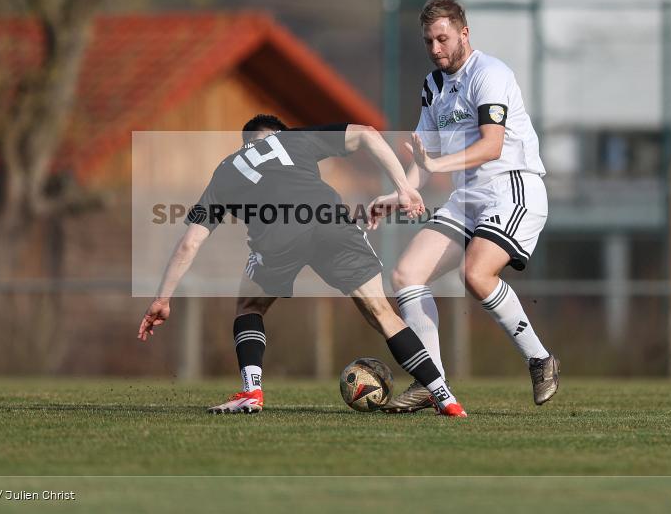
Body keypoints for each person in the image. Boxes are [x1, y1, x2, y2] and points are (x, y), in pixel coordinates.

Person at [138, 115, 467, 417]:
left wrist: (162, 299)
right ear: (278, 134)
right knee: (383, 312)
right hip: (331, 220)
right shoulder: (294, 139)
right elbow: (367, 134)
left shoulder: (225, 171)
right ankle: (444, 396)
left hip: (279, 234)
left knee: (249, 306)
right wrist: (405, 189)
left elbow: (189, 243)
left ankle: (252, 392)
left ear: (245, 143)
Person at [368, 0, 559, 413]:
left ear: (463, 33)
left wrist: (436, 163)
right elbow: (425, 155)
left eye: (443, 39)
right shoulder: (433, 86)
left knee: (476, 274)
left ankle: (540, 359)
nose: (436, 50)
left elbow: (491, 147)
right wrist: (400, 191)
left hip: (512, 188)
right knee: (406, 274)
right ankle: (432, 383)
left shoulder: (489, 73)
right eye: (428, 42)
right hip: (468, 198)